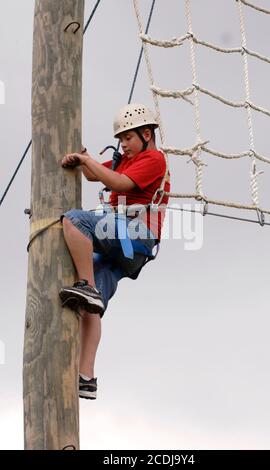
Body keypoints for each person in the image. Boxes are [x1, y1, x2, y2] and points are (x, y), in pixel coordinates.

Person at [59, 103, 170, 399]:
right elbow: (94, 176)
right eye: (120, 139)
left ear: (147, 134)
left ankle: (86, 286)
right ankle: (86, 377)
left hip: (134, 237)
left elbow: (118, 182)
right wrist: (84, 160)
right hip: (127, 251)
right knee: (90, 308)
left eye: (128, 138)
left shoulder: (154, 159)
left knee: (74, 220)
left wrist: (86, 160)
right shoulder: (125, 161)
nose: (123, 145)